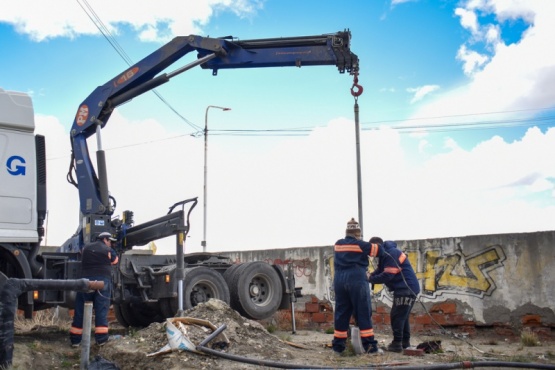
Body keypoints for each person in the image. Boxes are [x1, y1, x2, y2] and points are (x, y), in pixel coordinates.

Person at [332, 218, 382, 355]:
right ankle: (370, 348)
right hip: (356, 278)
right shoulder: (361, 245)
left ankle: (338, 348)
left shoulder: (337, 244)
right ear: (357, 233)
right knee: (363, 313)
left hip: (339, 279)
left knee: (341, 314)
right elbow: (379, 251)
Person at [367, 237, 420, 352]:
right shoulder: (385, 254)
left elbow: (387, 275)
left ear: (377, 246)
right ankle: (404, 343)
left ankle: (397, 344)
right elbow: (381, 270)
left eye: (371, 249)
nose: (371, 253)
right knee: (403, 317)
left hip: (405, 288)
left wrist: (370, 279)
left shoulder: (390, 254)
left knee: (397, 316)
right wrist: (371, 275)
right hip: (409, 288)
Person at [70, 231, 119, 347]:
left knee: (80, 311)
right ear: (105, 239)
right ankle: (101, 340)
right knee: (101, 309)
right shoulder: (107, 249)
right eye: (110, 241)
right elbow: (115, 261)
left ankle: (75, 340)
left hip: (85, 282)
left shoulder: (86, 247)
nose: (111, 244)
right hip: (102, 282)